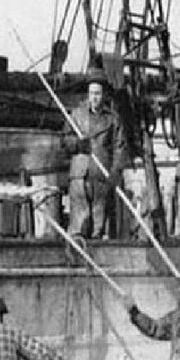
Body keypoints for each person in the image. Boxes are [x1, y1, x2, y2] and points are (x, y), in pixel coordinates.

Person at [67, 67, 127, 239]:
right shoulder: (77, 115)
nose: (94, 98)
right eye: (92, 93)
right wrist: (77, 144)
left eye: (98, 94)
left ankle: (96, 244)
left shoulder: (113, 119)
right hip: (79, 176)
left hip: (101, 177)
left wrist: (115, 171)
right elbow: (65, 141)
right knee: (78, 224)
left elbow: (120, 147)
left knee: (98, 225)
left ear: (104, 95)